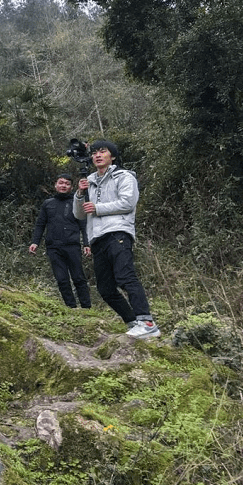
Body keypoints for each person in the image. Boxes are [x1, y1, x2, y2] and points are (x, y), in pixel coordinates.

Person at [74, 140, 161, 339]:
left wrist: (98, 208)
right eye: (94, 152)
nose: (97, 155)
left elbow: (128, 203)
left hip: (118, 232)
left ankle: (146, 322)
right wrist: (80, 194)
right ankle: (133, 323)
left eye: (102, 151)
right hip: (97, 237)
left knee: (125, 276)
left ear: (112, 156)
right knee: (105, 288)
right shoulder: (89, 180)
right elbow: (79, 214)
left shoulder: (124, 176)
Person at [29, 174, 92, 308]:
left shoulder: (76, 202)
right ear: (56, 185)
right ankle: (71, 307)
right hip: (53, 247)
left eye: (67, 184)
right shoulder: (48, 203)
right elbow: (41, 224)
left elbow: (83, 224)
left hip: (72, 245)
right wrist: (35, 242)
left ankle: (86, 307)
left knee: (78, 278)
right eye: (61, 183)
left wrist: (86, 243)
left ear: (71, 187)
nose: (63, 186)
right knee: (62, 279)